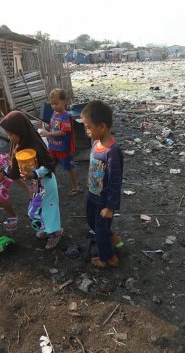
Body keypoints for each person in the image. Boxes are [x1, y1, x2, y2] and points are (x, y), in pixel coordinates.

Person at [0, 111, 64, 249]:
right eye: (8, 134)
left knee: (48, 209)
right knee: (37, 209)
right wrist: (4, 172)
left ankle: (55, 232)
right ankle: (47, 230)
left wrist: (34, 173)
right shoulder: (18, 146)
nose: (9, 138)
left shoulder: (36, 144)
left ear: (20, 130)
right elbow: (14, 168)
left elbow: (49, 165)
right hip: (36, 185)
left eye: (11, 134)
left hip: (47, 183)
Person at [81, 101, 123, 268]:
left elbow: (115, 181)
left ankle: (109, 258)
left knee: (99, 231)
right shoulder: (95, 144)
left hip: (104, 201)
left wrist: (111, 207)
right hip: (93, 194)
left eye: (88, 127)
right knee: (92, 221)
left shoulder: (112, 152)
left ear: (103, 126)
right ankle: (112, 236)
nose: (86, 131)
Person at [38, 88, 81, 197]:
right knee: (51, 166)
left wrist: (47, 134)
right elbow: (52, 127)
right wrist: (44, 127)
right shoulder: (54, 114)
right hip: (52, 147)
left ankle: (76, 186)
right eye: (52, 104)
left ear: (64, 101)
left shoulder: (66, 116)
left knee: (69, 167)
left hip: (63, 148)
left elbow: (63, 132)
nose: (54, 106)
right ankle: (52, 185)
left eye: (57, 104)